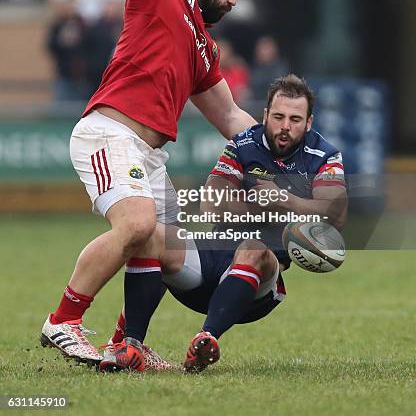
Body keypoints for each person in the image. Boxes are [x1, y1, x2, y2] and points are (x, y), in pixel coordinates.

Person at [40, 0, 256, 371]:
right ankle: (63, 321)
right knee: (137, 224)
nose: (231, 2)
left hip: (149, 156)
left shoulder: (204, 47)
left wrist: (293, 152)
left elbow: (230, 118)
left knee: (162, 242)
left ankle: (126, 343)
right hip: (110, 132)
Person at [102, 74, 347, 373]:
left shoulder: (324, 155)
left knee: (253, 247)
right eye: (279, 117)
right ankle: (130, 348)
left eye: (295, 119)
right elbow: (213, 203)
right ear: (265, 115)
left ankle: (206, 339)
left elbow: (335, 213)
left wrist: (283, 198)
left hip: (256, 287)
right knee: (150, 236)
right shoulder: (243, 144)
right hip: (212, 262)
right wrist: (262, 206)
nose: (285, 126)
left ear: (308, 123)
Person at [250, 36, 289, 101]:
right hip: (256, 105)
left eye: (266, 48)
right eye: (260, 49)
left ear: (274, 50)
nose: (263, 52)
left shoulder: (281, 68)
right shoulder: (255, 68)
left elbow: (275, 87)